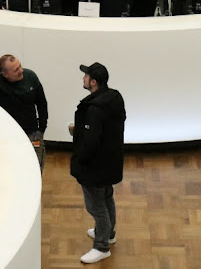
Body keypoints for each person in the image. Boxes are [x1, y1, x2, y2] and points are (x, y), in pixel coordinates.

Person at [71, 62, 126, 264]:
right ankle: (109, 233)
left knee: (96, 207)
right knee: (107, 196)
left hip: (94, 166)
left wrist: (79, 160)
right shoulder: (115, 98)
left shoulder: (94, 109)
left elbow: (91, 142)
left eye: (85, 76)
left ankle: (102, 246)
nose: (83, 79)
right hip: (110, 162)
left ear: (93, 82)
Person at [0, 54, 48, 166]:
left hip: (32, 134)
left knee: (34, 167)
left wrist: (41, 129)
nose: (21, 71)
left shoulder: (31, 76)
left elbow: (42, 103)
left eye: (20, 66)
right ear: (5, 74)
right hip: (7, 136)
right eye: (16, 70)